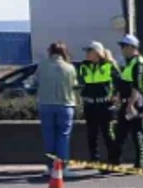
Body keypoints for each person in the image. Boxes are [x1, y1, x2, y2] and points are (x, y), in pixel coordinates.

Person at [37, 41, 78, 176]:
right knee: (63, 136)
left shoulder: (42, 66)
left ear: (50, 51)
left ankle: (50, 167)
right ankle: (63, 167)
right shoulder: (69, 68)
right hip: (65, 105)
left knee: (49, 136)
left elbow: (35, 81)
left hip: (45, 104)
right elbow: (74, 85)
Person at [111, 34, 143, 168]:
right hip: (128, 102)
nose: (121, 49)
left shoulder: (138, 63)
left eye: (123, 46)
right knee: (120, 133)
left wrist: (130, 105)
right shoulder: (129, 63)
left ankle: (140, 163)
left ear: (131, 47)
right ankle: (115, 162)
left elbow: (137, 86)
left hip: (135, 103)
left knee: (137, 133)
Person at [79, 41, 118, 162]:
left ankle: (113, 160)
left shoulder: (109, 65)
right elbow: (81, 83)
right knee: (92, 135)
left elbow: (119, 82)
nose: (87, 54)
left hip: (105, 105)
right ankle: (94, 160)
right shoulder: (84, 66)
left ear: (97, 53)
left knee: (108, 135)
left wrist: (115, 95)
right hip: (90, 105)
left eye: (89, 51)